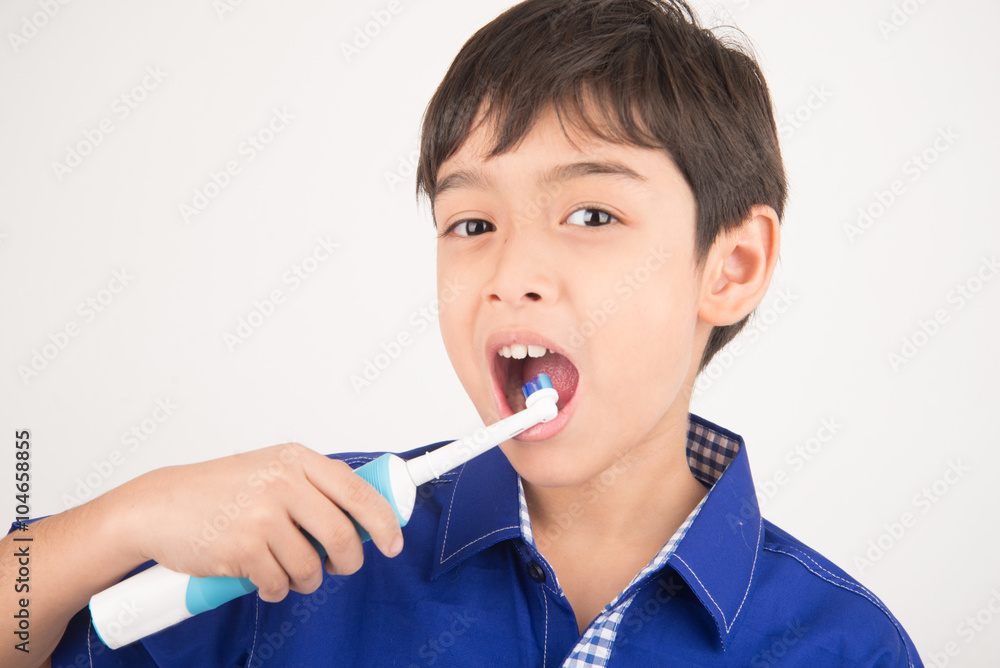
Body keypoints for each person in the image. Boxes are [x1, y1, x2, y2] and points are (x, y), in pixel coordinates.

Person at [3, 0, 922, 665]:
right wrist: (119, 522)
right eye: (471, 225)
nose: (509, 275)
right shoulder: (298, 560)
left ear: (731, 266)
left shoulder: (848, 648)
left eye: (593, 215)